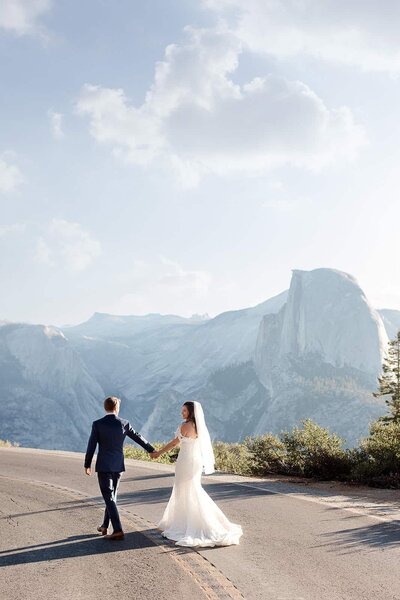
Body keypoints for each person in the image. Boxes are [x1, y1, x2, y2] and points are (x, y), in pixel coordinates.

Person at [153, 400, 243, 547]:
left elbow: (174, 443)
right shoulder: (198, 427)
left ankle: (185, 524)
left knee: (183, 490)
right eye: (182, 410)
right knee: (193, 490)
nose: (182, 413)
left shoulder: (185, 426)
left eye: (184, 411)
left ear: (191, 412)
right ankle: (196, 521)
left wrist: (159, 453)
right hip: (195, 462)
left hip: (185, 461)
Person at [84, 396, 156, 540]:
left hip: (104, 465)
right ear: (117, 408)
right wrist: (151, 449)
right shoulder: (124, 423)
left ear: (105, 407)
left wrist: (87, 464)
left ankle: (117, 529)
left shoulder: (97, 424)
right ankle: (105, 525)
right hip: (118, 466)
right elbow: (138, 437)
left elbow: (91, 445)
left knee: (109, 496)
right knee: (112, 496)